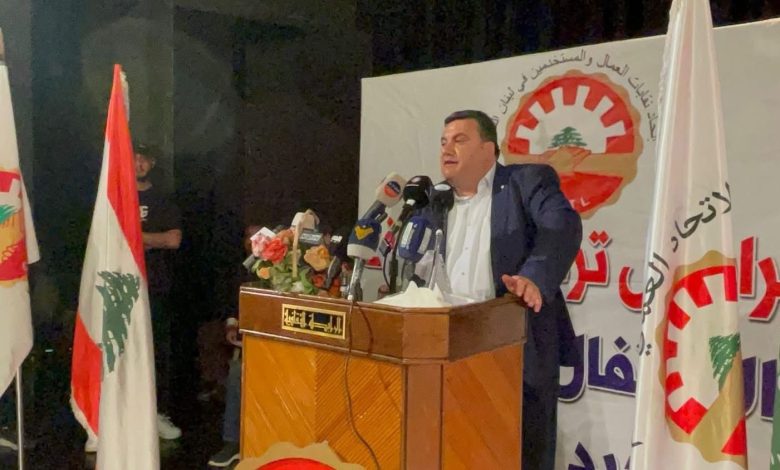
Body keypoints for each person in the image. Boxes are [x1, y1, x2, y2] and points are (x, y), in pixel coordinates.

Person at [420, 110, 582, 469]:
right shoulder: (436, 201)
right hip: (446, 354)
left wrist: (534, 277)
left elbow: (562, 225)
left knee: (523, 454)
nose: (447, 148)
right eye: (443, 141)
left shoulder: (526, 181)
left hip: (515, 351)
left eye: (460, 140)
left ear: (488, 148)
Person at [135, 144, 183, 441]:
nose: (139, 163)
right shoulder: (114, 196)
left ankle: (156, 414)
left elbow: (173, 240)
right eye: (134, 158)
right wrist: (152, 239)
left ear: (152, 163)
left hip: (156, 286)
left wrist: (135, 237)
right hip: (121, 287)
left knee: (156, 351)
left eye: (144, 159)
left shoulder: (163, 200)